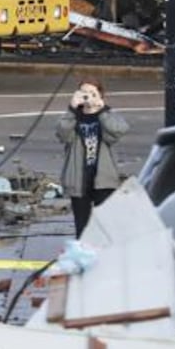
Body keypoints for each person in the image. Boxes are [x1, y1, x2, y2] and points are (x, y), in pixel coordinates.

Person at [56, 77, 128, 237]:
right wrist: (72, 108)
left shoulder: (107, 115)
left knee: (104, 227)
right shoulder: (73, 116)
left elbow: (119, 130)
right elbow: (62, 133)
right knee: (82, 228)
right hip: (79, 178)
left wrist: (101, 110)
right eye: (84, 92)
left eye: (92, 93)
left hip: (103, 179)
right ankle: (84, 256)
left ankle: (103, 257)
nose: (87, 96)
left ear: (101, 96)